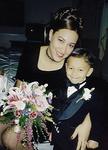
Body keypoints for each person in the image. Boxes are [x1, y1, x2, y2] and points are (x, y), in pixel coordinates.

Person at [1, 7, 91, 150]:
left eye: (71, 45)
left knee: (10, 138)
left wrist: (88, 122)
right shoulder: (31, 54)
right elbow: (17, 90)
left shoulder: (71, 66)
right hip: (22, 110)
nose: (64, 50)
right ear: (51, 35)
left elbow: (89, 92)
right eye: (60, 40)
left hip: (47, 122)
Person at [52, 48, 106, 150]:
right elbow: (52, 108)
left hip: (77, 140)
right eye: (71, 68)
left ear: (89, 72)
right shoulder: (59, 86)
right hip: (58, 138)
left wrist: (94, 138)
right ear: (66, 66)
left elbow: (98, 116)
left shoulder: (95, 93)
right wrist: (50, 129)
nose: (74, 73)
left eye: (80, 70)